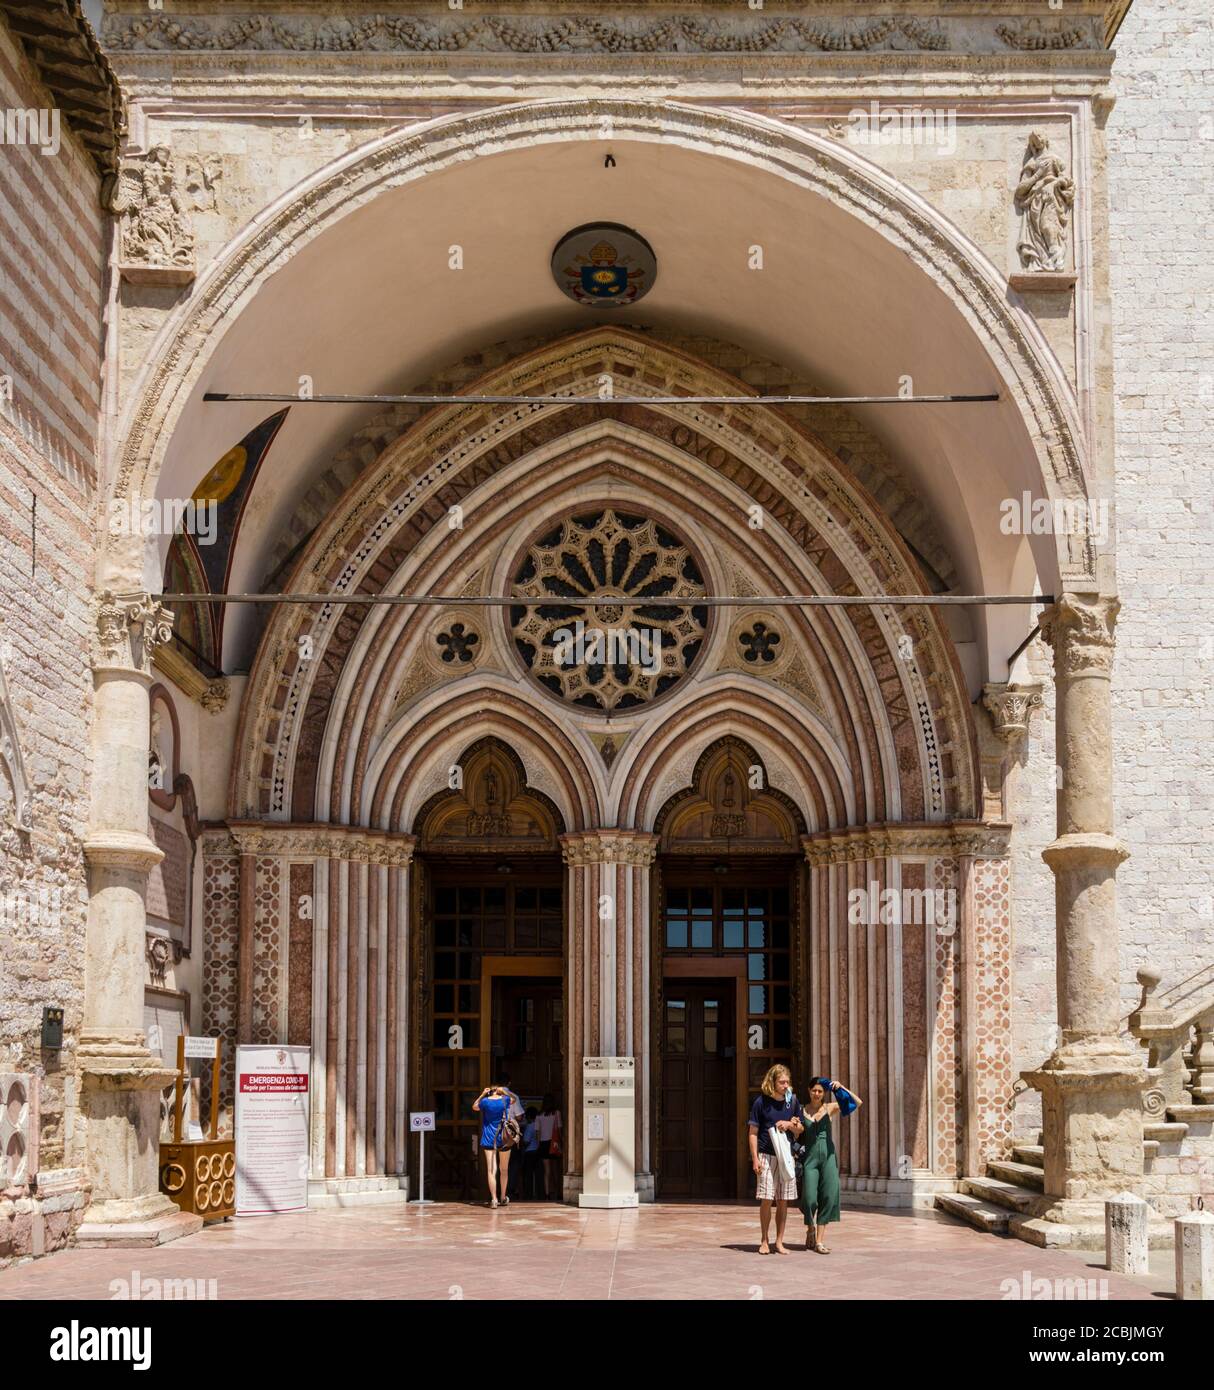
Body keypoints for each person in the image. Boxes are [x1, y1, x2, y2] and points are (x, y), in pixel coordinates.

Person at [787, 1076, 861, 1253]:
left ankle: (819, 1241)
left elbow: (858, 1102)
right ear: (809, 1091)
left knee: (828, 1195)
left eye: (820, 1091)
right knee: (810, 1198)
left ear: (824, 1093)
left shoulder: (830, 1108)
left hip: (828, 1158)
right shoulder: (802, 1111)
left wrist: (841, 1087)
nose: (817, 1094)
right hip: (810, 1159)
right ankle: (810, 1228)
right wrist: (794, 1126)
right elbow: (797, 1134)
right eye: (814, 1090)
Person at [747, 1063, 802, 1255]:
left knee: (783, 1200)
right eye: (782, 1082)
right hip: (765, 1155)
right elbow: (753, 1132)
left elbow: (800, 1128)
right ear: (772, 1082)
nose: (785, 1085)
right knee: (766, 1198)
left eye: (787, 1082)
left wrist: (789, 1124)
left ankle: (779, 1241)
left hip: (786, 1156)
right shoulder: (761, 1102)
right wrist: (754, 1158)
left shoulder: (792, 1102)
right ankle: (764, 1240)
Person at [472, 1083, 514, 1207]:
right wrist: (505, 1092)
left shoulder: (485, 1102)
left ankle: (494, 1199)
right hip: (504, 1138)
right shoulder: (505, 1100)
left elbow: (474, 1107)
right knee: (504, 1169)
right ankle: (502, 1197)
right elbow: (514, 1099)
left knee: (491, 1170)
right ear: (499, 1091)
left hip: (489, 1138)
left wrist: (482, 1094)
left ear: (490, 1091)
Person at [536, 1093, 562, 1200]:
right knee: (555, 1170)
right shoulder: (556, 1113)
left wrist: (538, 1145)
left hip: (543, 1143)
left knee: (547, 1171)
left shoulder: (539, 1115)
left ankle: (547, 1194)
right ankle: (557, 1192)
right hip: (554, 1143)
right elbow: (559, 1129)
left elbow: (537, 1132)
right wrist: (562, 1142)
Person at [520, 1106, 542, 1200]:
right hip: (538, 1151)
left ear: (529, 1116)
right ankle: (539, 1194)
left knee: (528, 1175)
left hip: (529, 1152)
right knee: (538, 1175)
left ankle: (528, 1195)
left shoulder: (530, 1126)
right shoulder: (538, 1124)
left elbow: (526, 1141)